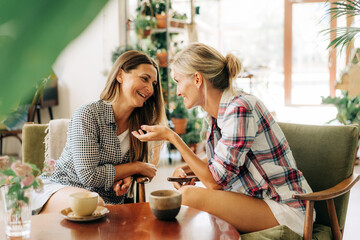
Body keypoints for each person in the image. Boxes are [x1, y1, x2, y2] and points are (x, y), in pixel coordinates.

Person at [132, 43, 315, 236]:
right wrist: (187, 169)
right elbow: (221, 163)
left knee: (188, 196)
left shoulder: (239, 108)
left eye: (178, 81)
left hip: (286, 210)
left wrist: (172, 136)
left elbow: (214, 182)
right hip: (257, 201)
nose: (178, 92)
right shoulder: (215, 116)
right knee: (192, 211)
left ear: (197, 79)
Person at [32, 50, 166, 214]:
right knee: (93, 203)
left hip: (106, 202)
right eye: (144, 79)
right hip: (61, 188)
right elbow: (89, 176)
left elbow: (124, 170)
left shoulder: (141, 126)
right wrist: (137, 166)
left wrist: (127, 178)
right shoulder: (88, 114)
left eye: (153, 84)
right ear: (120, 75)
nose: (150, 89)